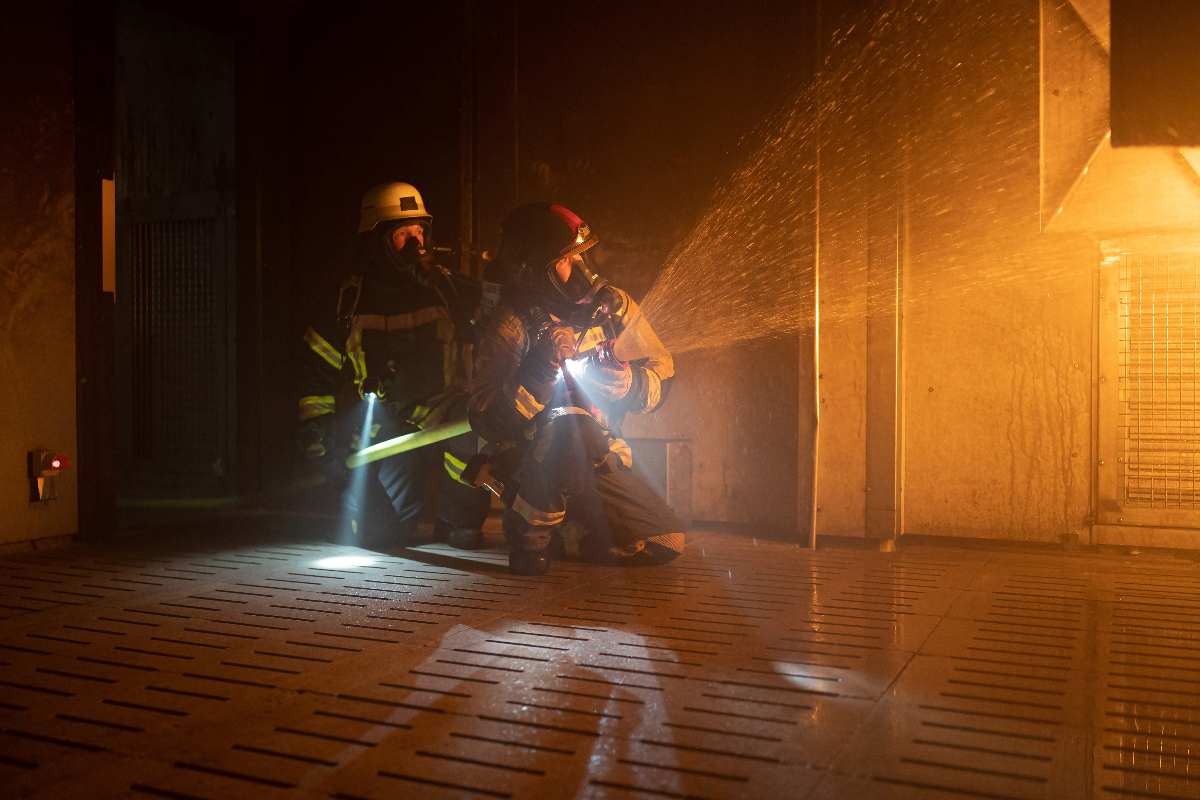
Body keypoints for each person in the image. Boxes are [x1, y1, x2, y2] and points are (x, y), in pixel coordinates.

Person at [468, 203, 684, 575]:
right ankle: (528, 537)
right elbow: (486, 421)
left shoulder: (616, 308)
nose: (584, 271)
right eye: (568, 262)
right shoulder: (512, 326)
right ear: (534, 272)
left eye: (584, 256)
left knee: (663, 544)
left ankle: (564, 532)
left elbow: (662, 381)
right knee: (569, 428)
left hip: (601, 454)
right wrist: (539, 369)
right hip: (530, 457)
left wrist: (628, 384)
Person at [296, 182, 491, 549]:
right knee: (382, 536)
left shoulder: (446, 290)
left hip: (441, 410)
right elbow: (314, 373)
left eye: (420, 232)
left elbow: (500, 322)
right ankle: (374, 519)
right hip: (381, 422)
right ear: (377, 239)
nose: (416, 244)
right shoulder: (346, 302)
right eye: (403, 234)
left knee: (474, 431)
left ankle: (457, 522)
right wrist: (318, 433)